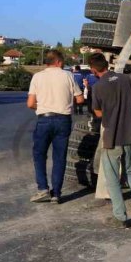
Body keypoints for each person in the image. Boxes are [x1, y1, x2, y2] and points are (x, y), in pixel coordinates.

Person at [89, 52, 131, 229]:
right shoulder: (126, 79)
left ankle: (120, 217)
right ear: (107, 65)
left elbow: (97, 113)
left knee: (112, 178)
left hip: (112, 138)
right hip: (130, 135)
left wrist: (110, 115)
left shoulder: (98, 87)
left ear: (93, 70)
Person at [27, 49, 84, 204]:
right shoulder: (68, 75)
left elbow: (30, 103)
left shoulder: (37, 77)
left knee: (39, 155)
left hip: (44, 120)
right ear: (58, 62)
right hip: (63, 121)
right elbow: (80, 100)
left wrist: (45, 105)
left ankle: (43, 189)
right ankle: (56, 194)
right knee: (59, 157)